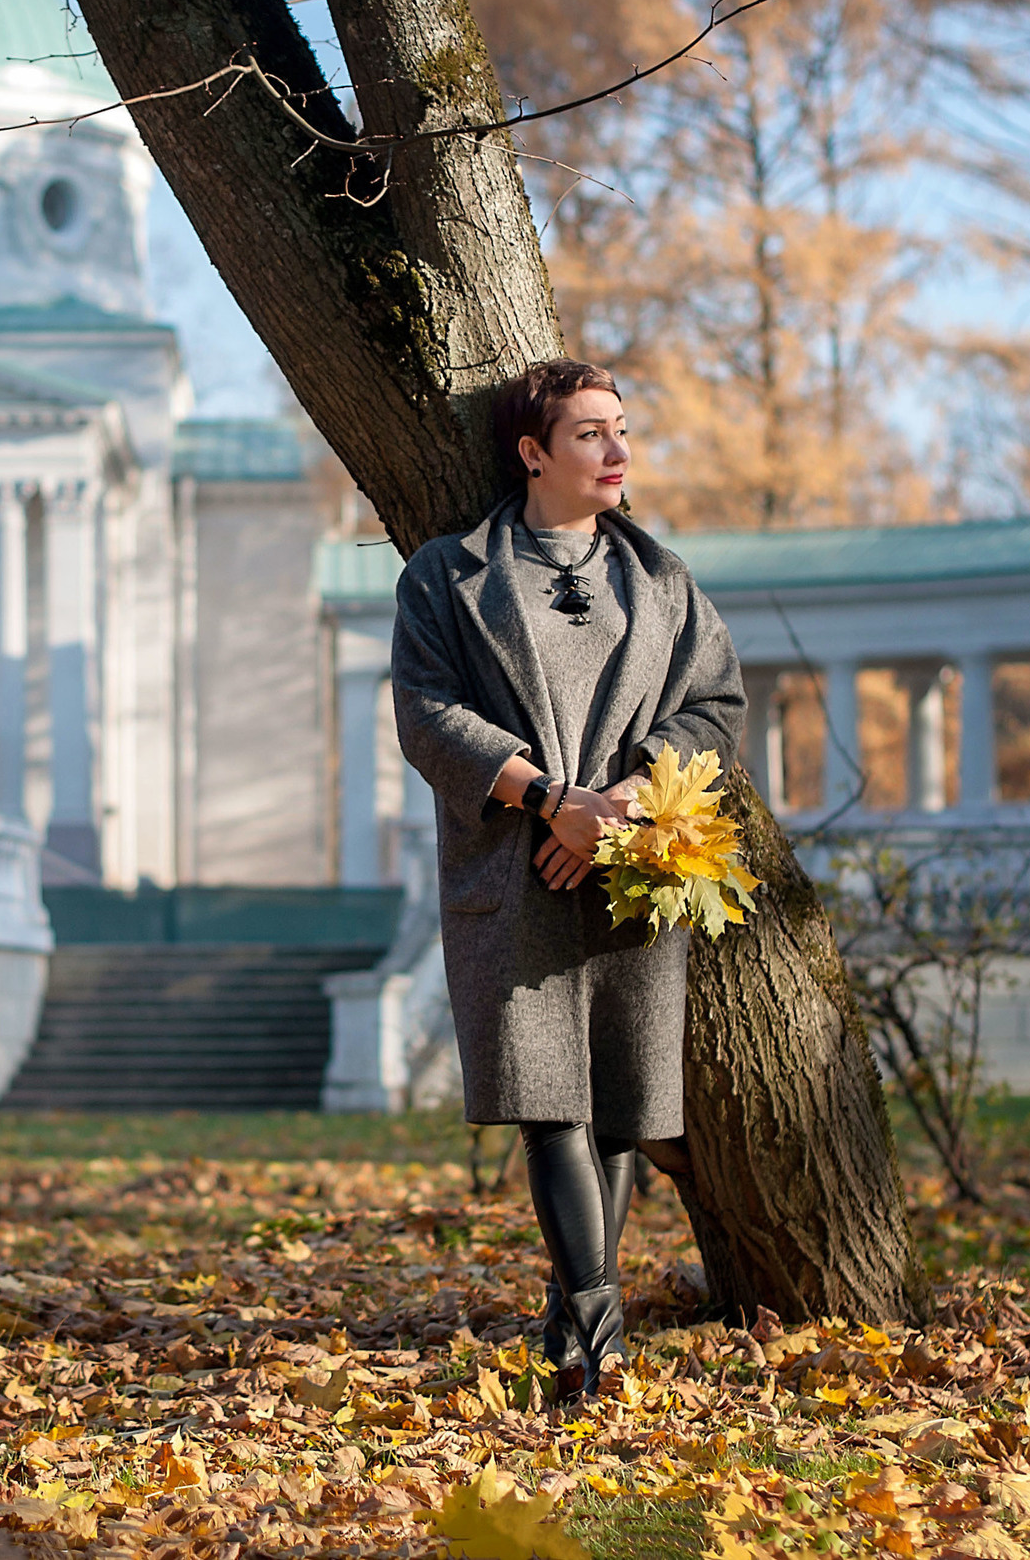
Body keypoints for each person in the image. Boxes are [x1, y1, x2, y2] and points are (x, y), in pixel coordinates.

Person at [390, 359, 744, 1405]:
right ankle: (600, 1331)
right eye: (589, 432)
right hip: (514, 865)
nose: (617, 449)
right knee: (548, 1103)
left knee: (621, 1109)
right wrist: (553, 802)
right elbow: (427, 714)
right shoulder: (445, 574)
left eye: (622, 428)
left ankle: (572, 1331)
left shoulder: (664, 581)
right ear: (532, 452)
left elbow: (716, 708)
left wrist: (621, 805)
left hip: (634, 875)